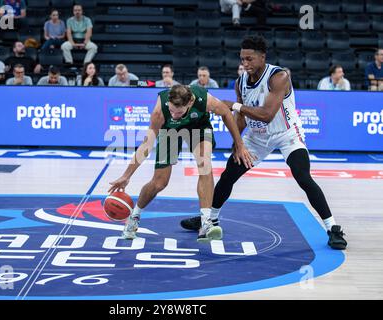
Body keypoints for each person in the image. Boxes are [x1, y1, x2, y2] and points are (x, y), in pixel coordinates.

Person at [180, 35, 347, 250]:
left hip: (286, 134)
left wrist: (234, 106)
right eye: (242, 59)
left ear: (262, 57)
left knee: (302, 176)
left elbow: (267, 114)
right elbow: (241, 118)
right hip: (257, 137)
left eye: (249, 59)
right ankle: (209, 219)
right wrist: (237, 141)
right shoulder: (241, 82)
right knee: (229, 174)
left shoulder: (279, 77)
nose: (245, 64)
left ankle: (333, 228)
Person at [108, 84, 254, 241]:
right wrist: (126, 176)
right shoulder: (160, 112)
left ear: (190, 103)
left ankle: (206, 222)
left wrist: (239, 145)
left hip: (198, 127)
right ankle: (134, 217)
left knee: (205, 164)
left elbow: (226, 113)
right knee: (159, 183)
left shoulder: (204, 100)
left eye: (178, 112)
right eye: (171, 110)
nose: (174, 115)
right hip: (169, 131)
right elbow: (146, 145)